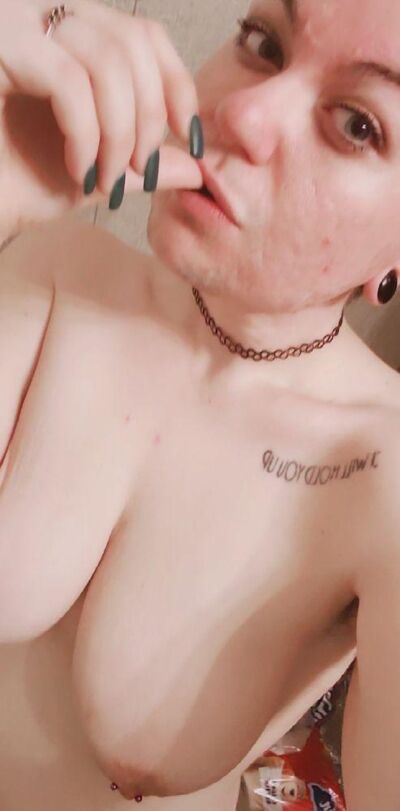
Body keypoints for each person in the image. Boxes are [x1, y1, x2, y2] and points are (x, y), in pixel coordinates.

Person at [0, 0, 399, 809]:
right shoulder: (59, 268)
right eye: (263, 43)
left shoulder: (377, 472)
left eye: (358, 125)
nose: (243, 113)